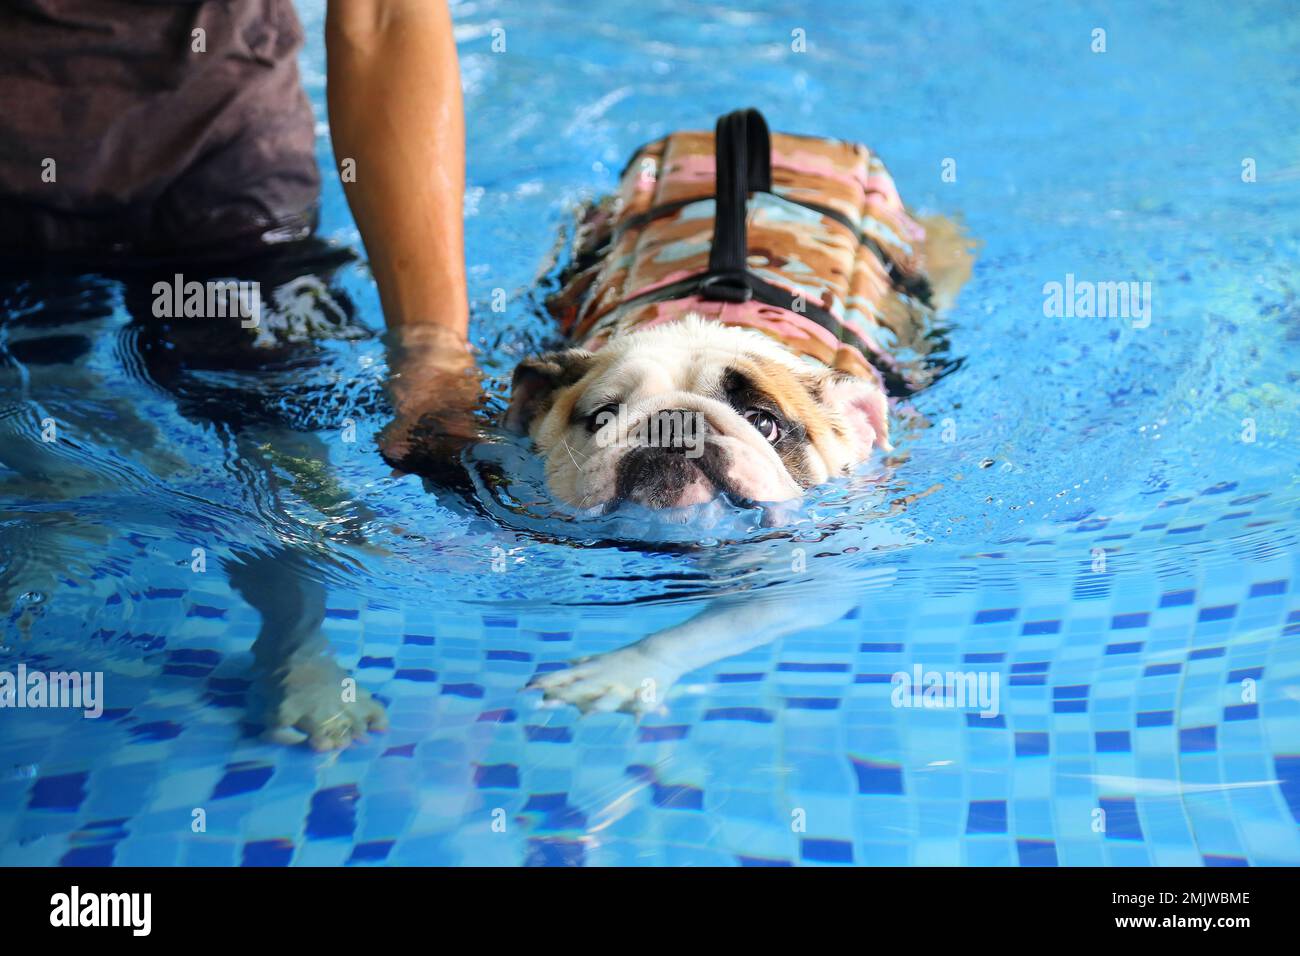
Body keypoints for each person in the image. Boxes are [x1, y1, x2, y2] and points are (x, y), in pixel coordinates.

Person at [0, 0, 479, 459]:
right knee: (38, 475)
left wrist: (431, 347)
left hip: (229, 177)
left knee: (286, 464)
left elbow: (384, 14)